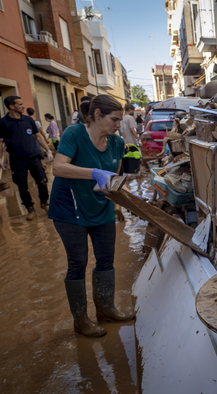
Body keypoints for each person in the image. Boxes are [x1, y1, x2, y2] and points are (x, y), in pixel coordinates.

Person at [49, 94, 134, 337]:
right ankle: (81, 320)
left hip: (101, 207)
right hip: (70, 209)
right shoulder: (74, 134)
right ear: (98, 115)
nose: (119, 124)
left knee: (106, 259)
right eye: (115, 119)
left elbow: (113, 181)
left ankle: (106, 309)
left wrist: (122, 203)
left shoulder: (117, 143)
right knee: (78, 263)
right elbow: (58, 167)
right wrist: (94, 172)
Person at [0, 96, 53, 220]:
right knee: (22, 185)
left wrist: (48, 150)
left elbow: (38, 136)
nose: (23, 106)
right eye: (20, 104)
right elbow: (1, 141)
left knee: (42, 181)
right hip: (17, 159)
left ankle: (45, 203)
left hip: (34, 157)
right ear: (11, 106)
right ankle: (30, 208)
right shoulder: (3, 122)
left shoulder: (28, 120)